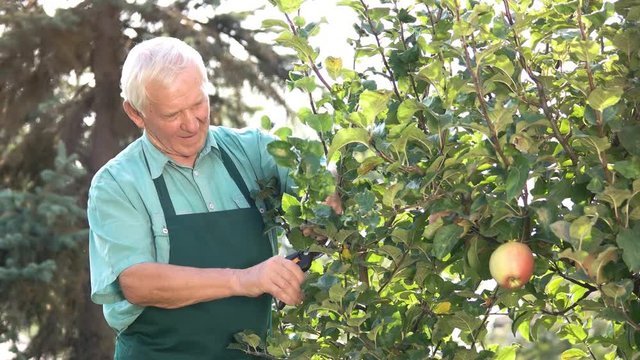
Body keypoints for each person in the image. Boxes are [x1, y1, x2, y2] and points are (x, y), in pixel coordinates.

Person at [87, 36, 306, 359]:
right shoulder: (117, 183)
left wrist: (326, 196)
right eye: (172, 114)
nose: (191, 124)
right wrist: (245, 279)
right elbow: (139, 283)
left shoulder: (252, 152)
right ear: (136, 113)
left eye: (197, 104)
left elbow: (314, 175)